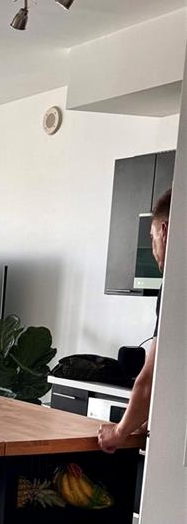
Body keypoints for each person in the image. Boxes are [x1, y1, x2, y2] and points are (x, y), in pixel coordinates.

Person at [98, 189, 170, 453]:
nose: (153, 250)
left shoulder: (176, 286)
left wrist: (118, 432)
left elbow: (153, 376)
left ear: (164, 230)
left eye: (151, 238)